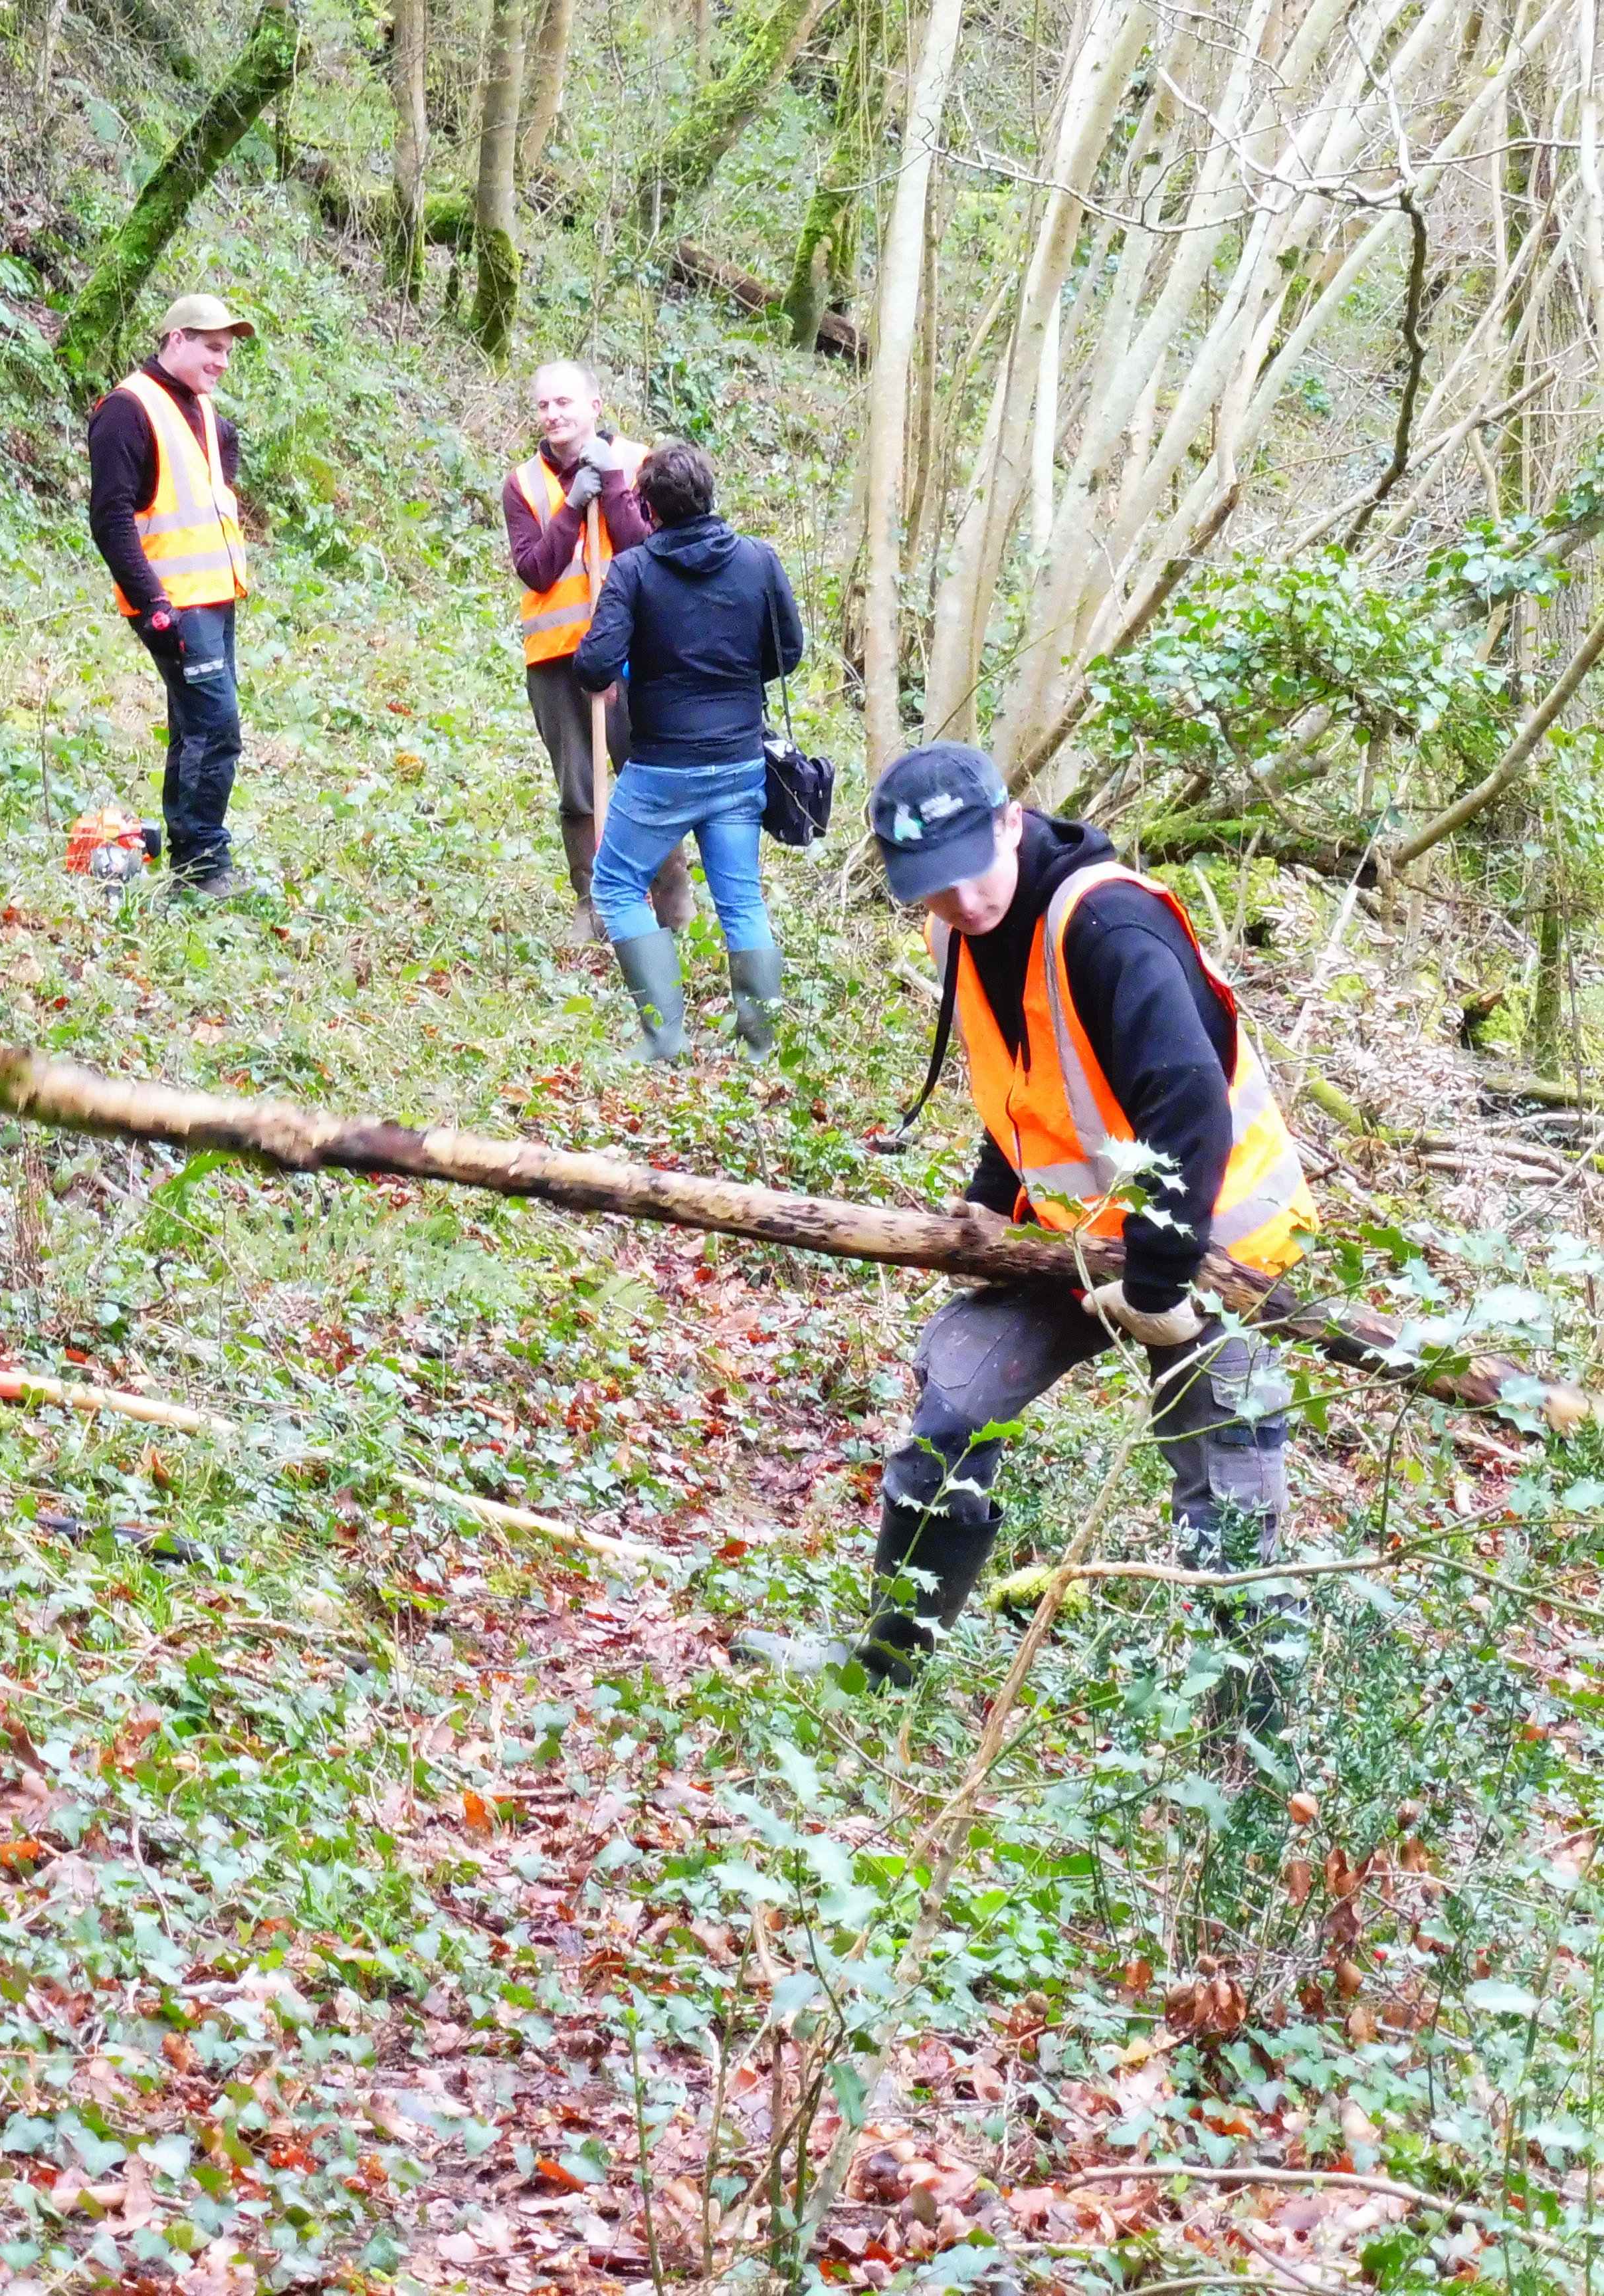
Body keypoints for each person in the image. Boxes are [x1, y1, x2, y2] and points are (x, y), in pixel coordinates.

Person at [853, 743, 1318, 1693]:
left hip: (1211, 1242)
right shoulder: (959, 933)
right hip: (1076, 1236)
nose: (959, 904)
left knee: (1226, 1507)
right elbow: (1024, 1092)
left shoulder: (1109, 926)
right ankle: (888, 1668)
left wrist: (1158, 1283)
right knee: (951, 1417)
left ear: (1010, 827)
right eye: (931, 891)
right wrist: (989, 1213)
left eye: (968, 877)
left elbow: (1185, 1105)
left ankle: (1261, 1764)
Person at [571, 440, 801, 1060]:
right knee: (742, 900)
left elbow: (594, 663)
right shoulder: (759, 560)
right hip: (739, 763)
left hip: (662, 771)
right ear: (710, 495)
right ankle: (758, 1048)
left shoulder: (635, 571)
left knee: (617, 886)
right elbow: (788, 653)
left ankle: (663, 1038)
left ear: (648, 509)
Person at [502, 362, 693, 943]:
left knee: (648, 774)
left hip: (639, 651)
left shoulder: (639, 465)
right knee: (577, 785)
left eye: (564, 402)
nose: (554, 415)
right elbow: (535, 571)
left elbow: (649, 548)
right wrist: (568, 507)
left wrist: (609, 486)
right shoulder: (523, 483)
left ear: (595, 405)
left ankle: (671, 899)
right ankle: (592, 905)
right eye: (543, 406)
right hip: (559, 657)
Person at [88, 293, 254, 897]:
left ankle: (190, 856)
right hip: (173, 604)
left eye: (229, 352)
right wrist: (154, 603)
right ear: (176, 339)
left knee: (197, 727)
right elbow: (110, 520)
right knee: (216, 726)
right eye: (213, 348)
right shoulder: (126, 411)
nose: (223, 363)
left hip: (213, 597)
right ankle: (203, 864)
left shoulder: (206, 414)